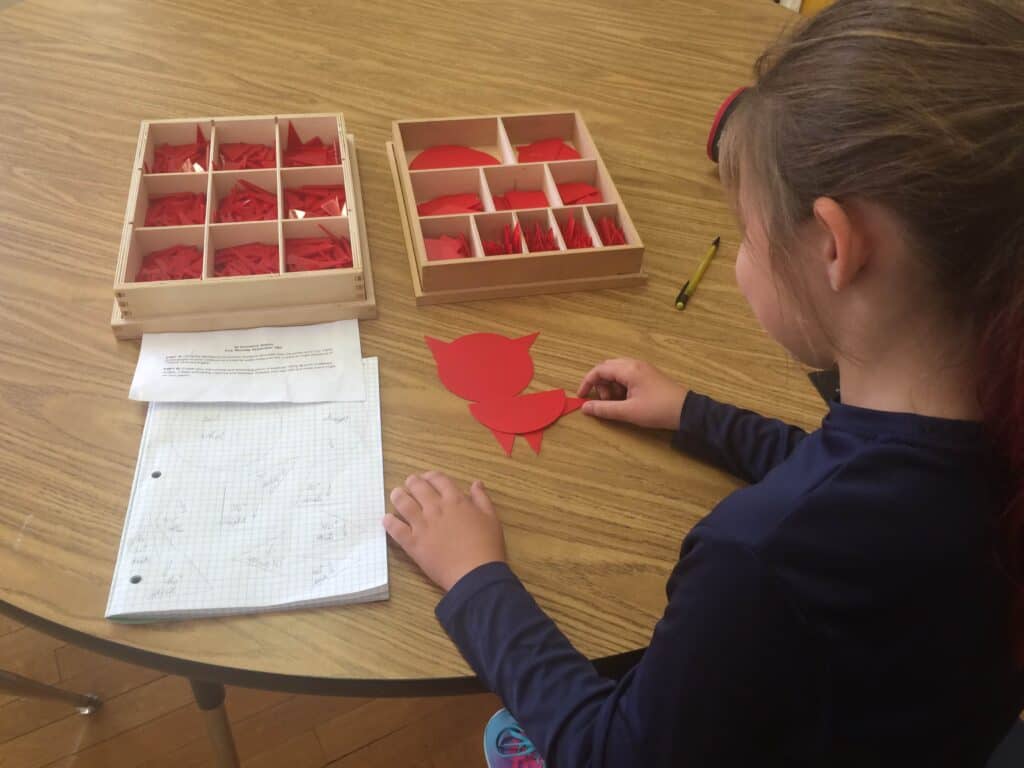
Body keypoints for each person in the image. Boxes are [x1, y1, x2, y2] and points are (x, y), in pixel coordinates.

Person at [382, 1, 1024, 764]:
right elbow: (874, 492)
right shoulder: (989, 420)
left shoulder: (758, 558)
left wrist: (474, 576)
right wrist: (696, 414)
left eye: (748, 234)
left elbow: (611, 753)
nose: (744, 259)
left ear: (834, 246)